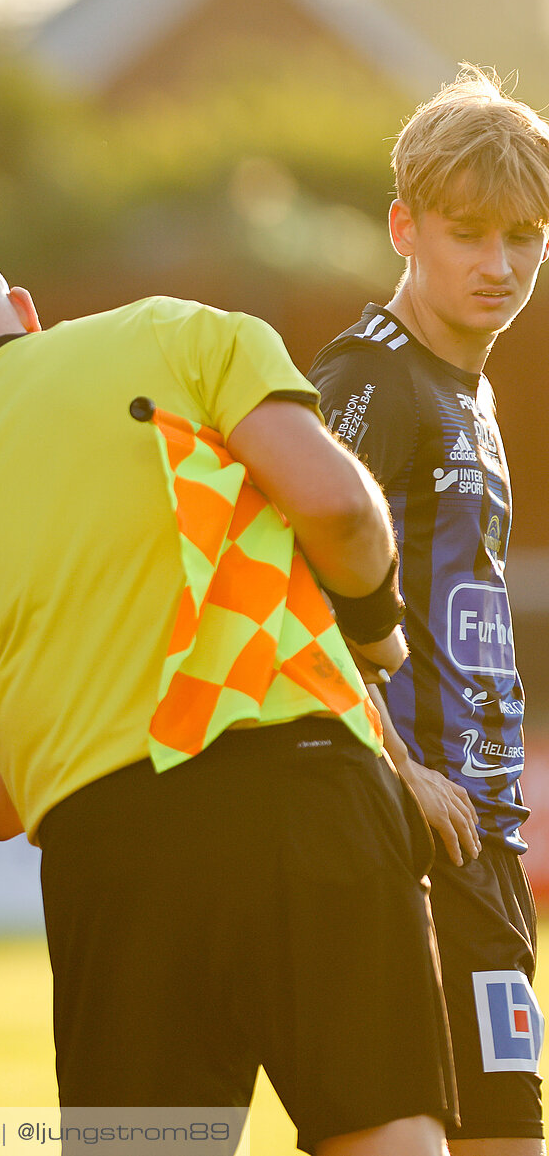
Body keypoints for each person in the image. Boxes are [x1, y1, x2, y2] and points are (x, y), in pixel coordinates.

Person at [0, 243, 456, 1155]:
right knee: (385, 1135)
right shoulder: (169, 332)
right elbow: (337, 511)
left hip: (109, 855)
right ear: (22, 307)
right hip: (300, 787)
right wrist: (377, 632)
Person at [311, 65, 549, 1155]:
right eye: (468, 233)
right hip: (402, 838)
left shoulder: (474, 387)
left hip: (485, 844)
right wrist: (399, 768)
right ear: (405, 227)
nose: (499, 265)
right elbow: (290, 586)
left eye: (526, 236)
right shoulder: (372, 374)